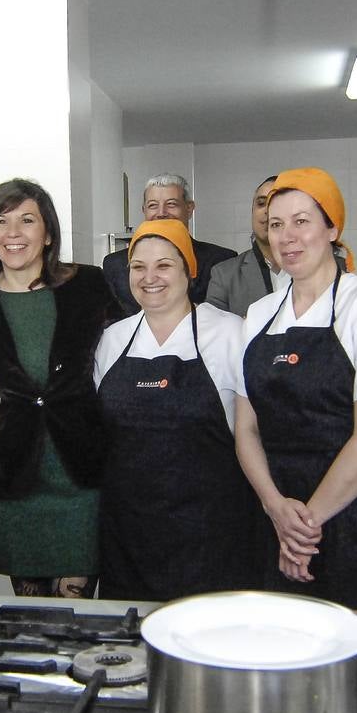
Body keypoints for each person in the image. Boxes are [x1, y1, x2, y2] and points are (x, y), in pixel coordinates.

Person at [235, 168, 357, 611]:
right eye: (276, 224)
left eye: (302, 221)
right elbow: (246, 428)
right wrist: (274, 507)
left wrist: (305, 527)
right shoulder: (259, 314)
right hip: (281, 507)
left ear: (332, 227)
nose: (287, 236)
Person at [0, 179, 119, 598]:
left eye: (27, 220)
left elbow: (122, 355)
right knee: (30, 614)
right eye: (1, 221)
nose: (14, 233)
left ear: (47, 234)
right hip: (13, 473)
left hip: (82, 472)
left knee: (79, 610)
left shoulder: (89, 285)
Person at [93, 218, 256, 600]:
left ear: (189, 270)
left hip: (212, 533)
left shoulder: (231, 333)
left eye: (164, 265)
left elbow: (253, 432)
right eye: (139, 266)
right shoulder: (112, 339)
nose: (150, 277)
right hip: (129, 533)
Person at [102, 173, 237, 315]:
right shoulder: (114, 264)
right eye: (153, 205)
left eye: (171, 204)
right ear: (144, 211)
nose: (161, 213)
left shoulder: (221, 260)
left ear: (189, 208)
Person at [205, 176, 282, 314]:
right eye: (261, 203)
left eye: (277, 202)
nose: (267, 210)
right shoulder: (225, 275)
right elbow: (213, 329)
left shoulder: (322, 268)